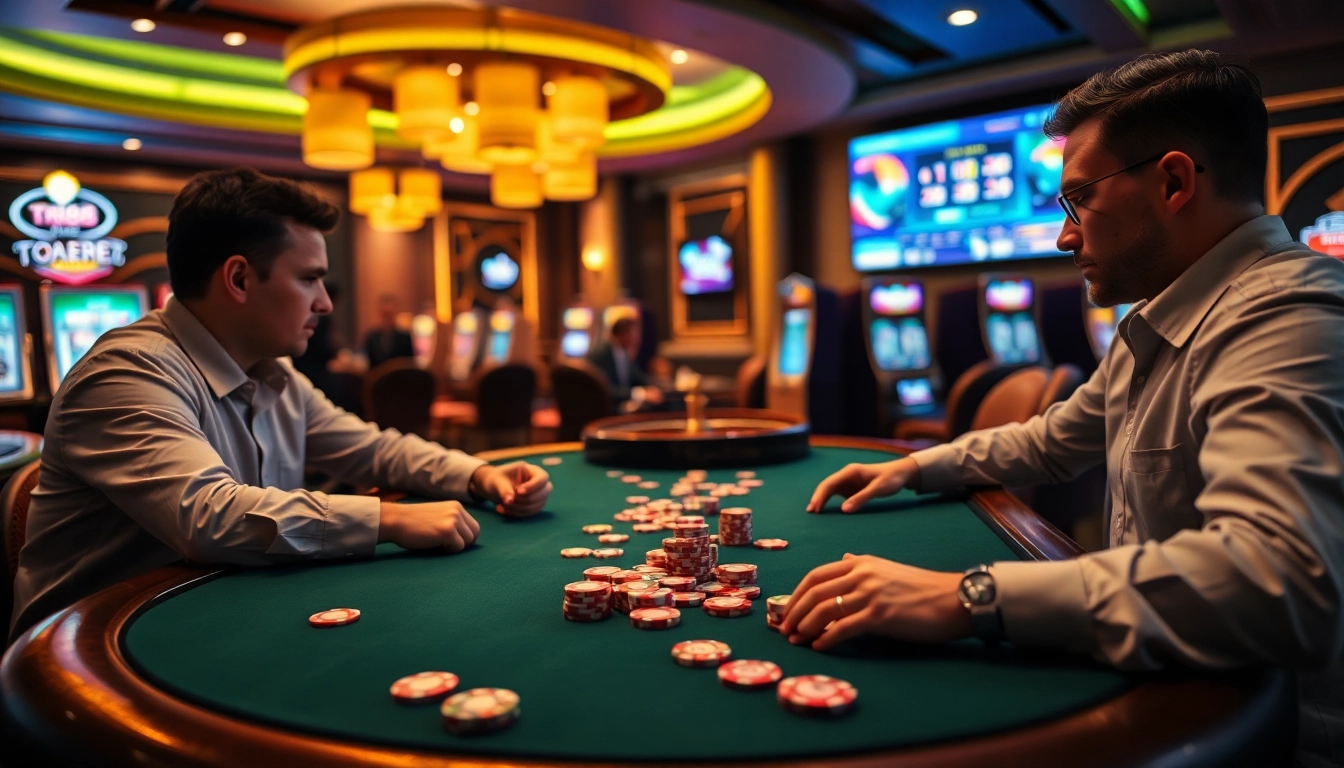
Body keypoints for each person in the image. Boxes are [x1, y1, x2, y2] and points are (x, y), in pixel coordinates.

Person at [787, 50, 1344, 766]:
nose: (1064, 234)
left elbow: (1281, 582)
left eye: (1080, 199)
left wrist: (970, 597)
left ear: (1173, 181)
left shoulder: (1286, 316)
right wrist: (913, 466)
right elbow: (1053, 440)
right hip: (1179, 693)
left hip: (1262, 738)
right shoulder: (1166, 318)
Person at [9, 168, 552, 644]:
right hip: (86, 657)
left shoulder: (273, 372)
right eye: (309, 279)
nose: (325, 303)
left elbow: (373, 450)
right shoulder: (126, 373)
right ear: (240, 278)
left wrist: (480, 474)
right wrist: (389, 520)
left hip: (210, 619)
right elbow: (209, 517)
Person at [587, 316, 663, 411]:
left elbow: (639, 378)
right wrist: (640, 394)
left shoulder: (624, 353)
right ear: (623, 334)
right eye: (634, 334)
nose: (637, 338)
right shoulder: (601, 355)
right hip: (608, 409)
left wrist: (660, 386)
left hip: (625, 403)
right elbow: (604, 390)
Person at [363, 294, 415, 369]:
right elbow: (368, 363)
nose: (387, 318)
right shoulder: (371, 337)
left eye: (389, 314)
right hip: (377, 378)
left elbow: (409, 362)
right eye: (385, 314)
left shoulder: (405, 337)